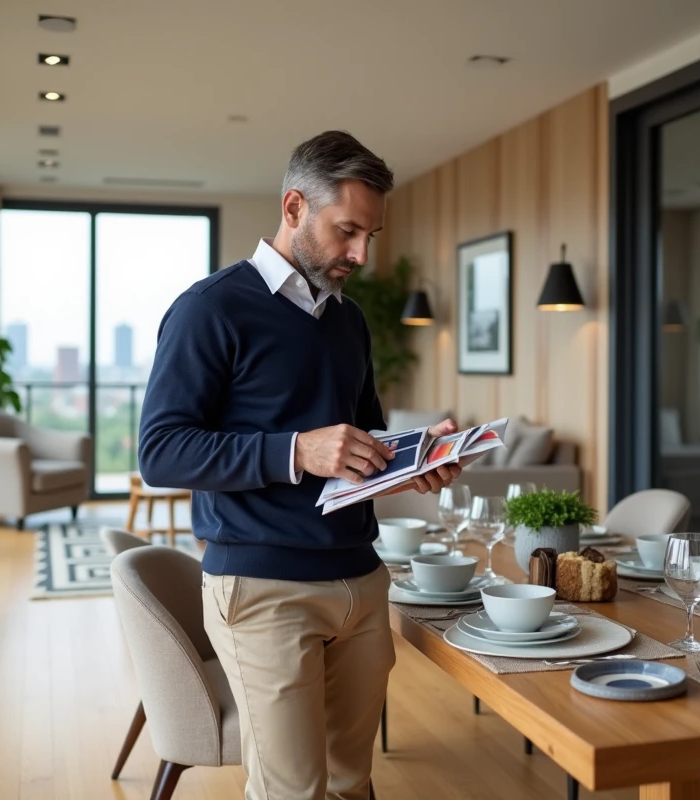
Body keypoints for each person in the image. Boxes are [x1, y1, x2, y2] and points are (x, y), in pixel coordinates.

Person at [138, 130, 462, 800]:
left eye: (370, 235)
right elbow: (161, 450)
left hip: (363, 584)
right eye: (347, 231)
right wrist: (297, 449)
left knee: (351, 782)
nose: (361, 254)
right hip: (263, 590)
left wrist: (415, 459)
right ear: (293, 208)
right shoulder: (210, 309)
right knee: (292, 793)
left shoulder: (349, 321)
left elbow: (364, 438)